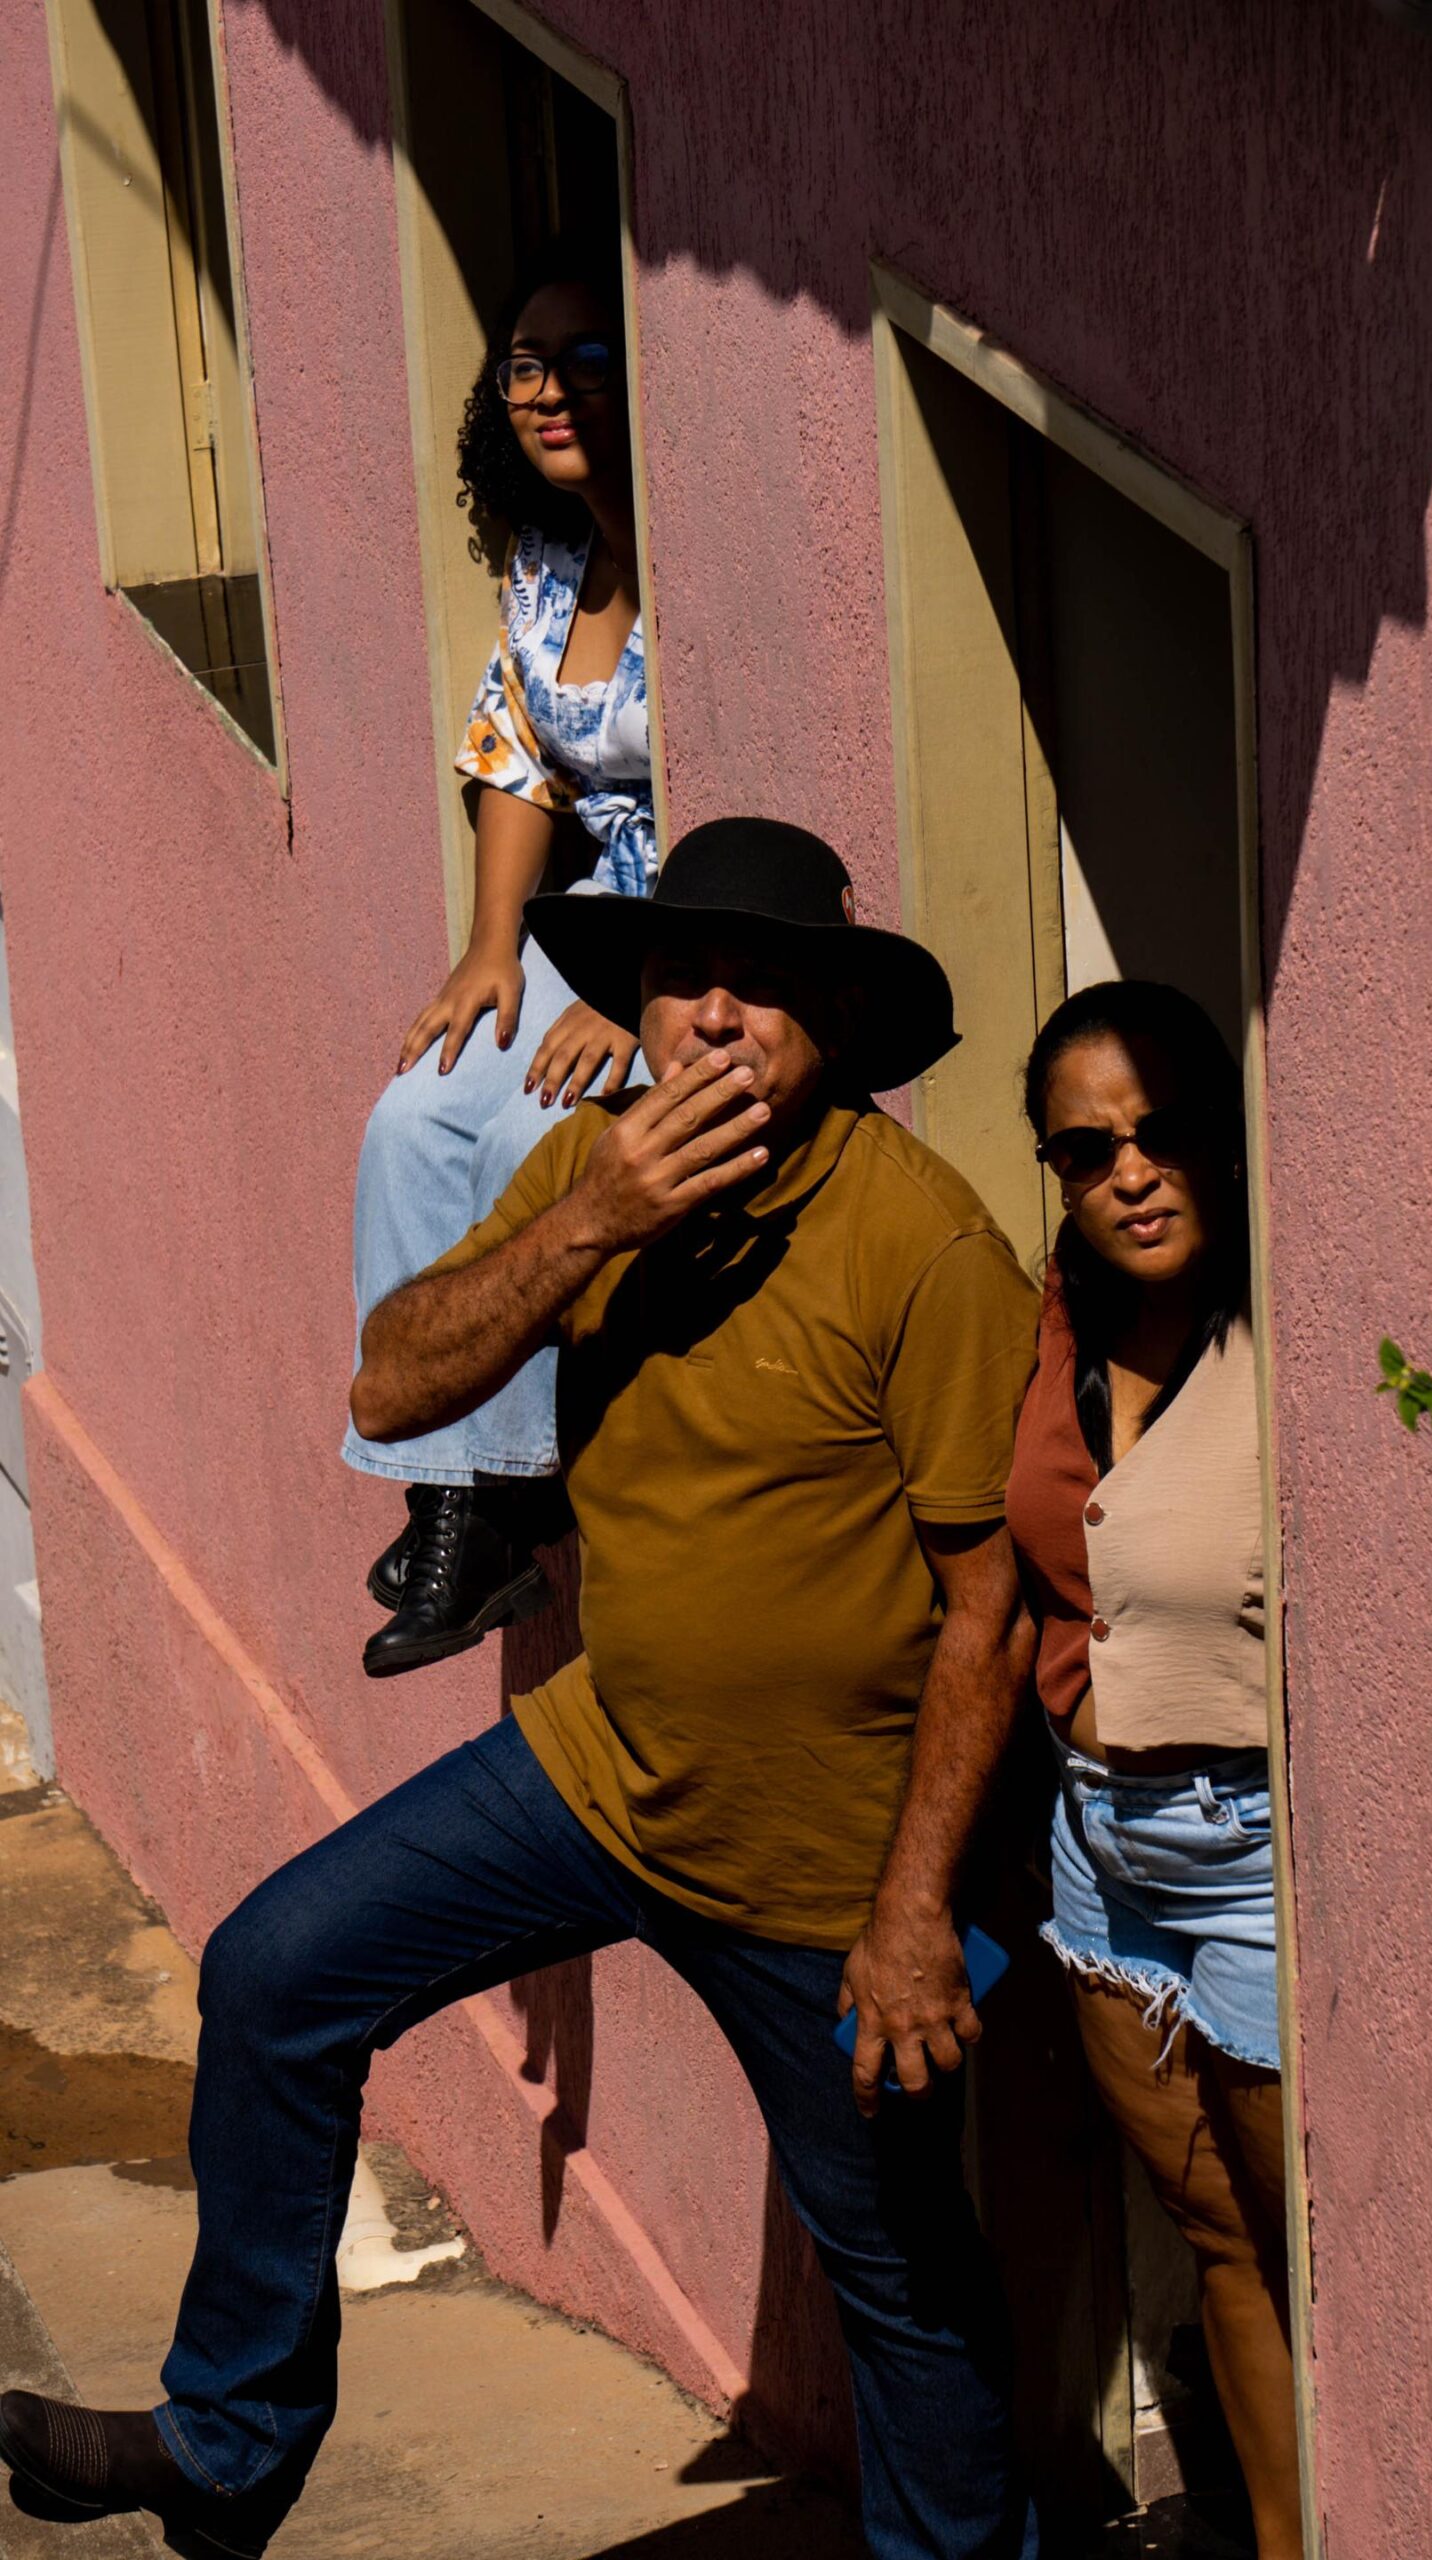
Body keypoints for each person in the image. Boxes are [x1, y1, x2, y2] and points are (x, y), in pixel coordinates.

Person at [0, 821, 1045, 2560]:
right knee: (276, 1975)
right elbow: (392, 1386)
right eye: (681, 979)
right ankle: (228, 2443)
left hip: (827, 1869)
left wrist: (918, 1907)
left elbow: (988, 1610)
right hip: (598, 1772)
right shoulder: (585, 1171)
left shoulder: (922, 1245)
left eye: (761, 986)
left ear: (837, 1025)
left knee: (902, 2283)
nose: (714, 1016)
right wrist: (589, 1222)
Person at [1004, 981, 1302, 2560]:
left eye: (1163, 1132)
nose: (1130, 1172)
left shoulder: (1289, 1338)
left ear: (1224, 1145)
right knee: (1219, 2240)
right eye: (1087, 1148)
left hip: (1252, 1859)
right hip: (1097, 1855)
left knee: (1306, 2251)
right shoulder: (1052, 1329)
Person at [345, 244, 656, 1681]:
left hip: (681, 939)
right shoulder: (550, 560)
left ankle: (509, 1501)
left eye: (587, 359)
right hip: (581, 915)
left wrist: (639, 996)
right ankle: (441, 1494)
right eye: (527, 364)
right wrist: (490, 947)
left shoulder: (688, 568)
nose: (550, 390)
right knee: (415, 1116)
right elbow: (517, 751)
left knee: (540, 1135)